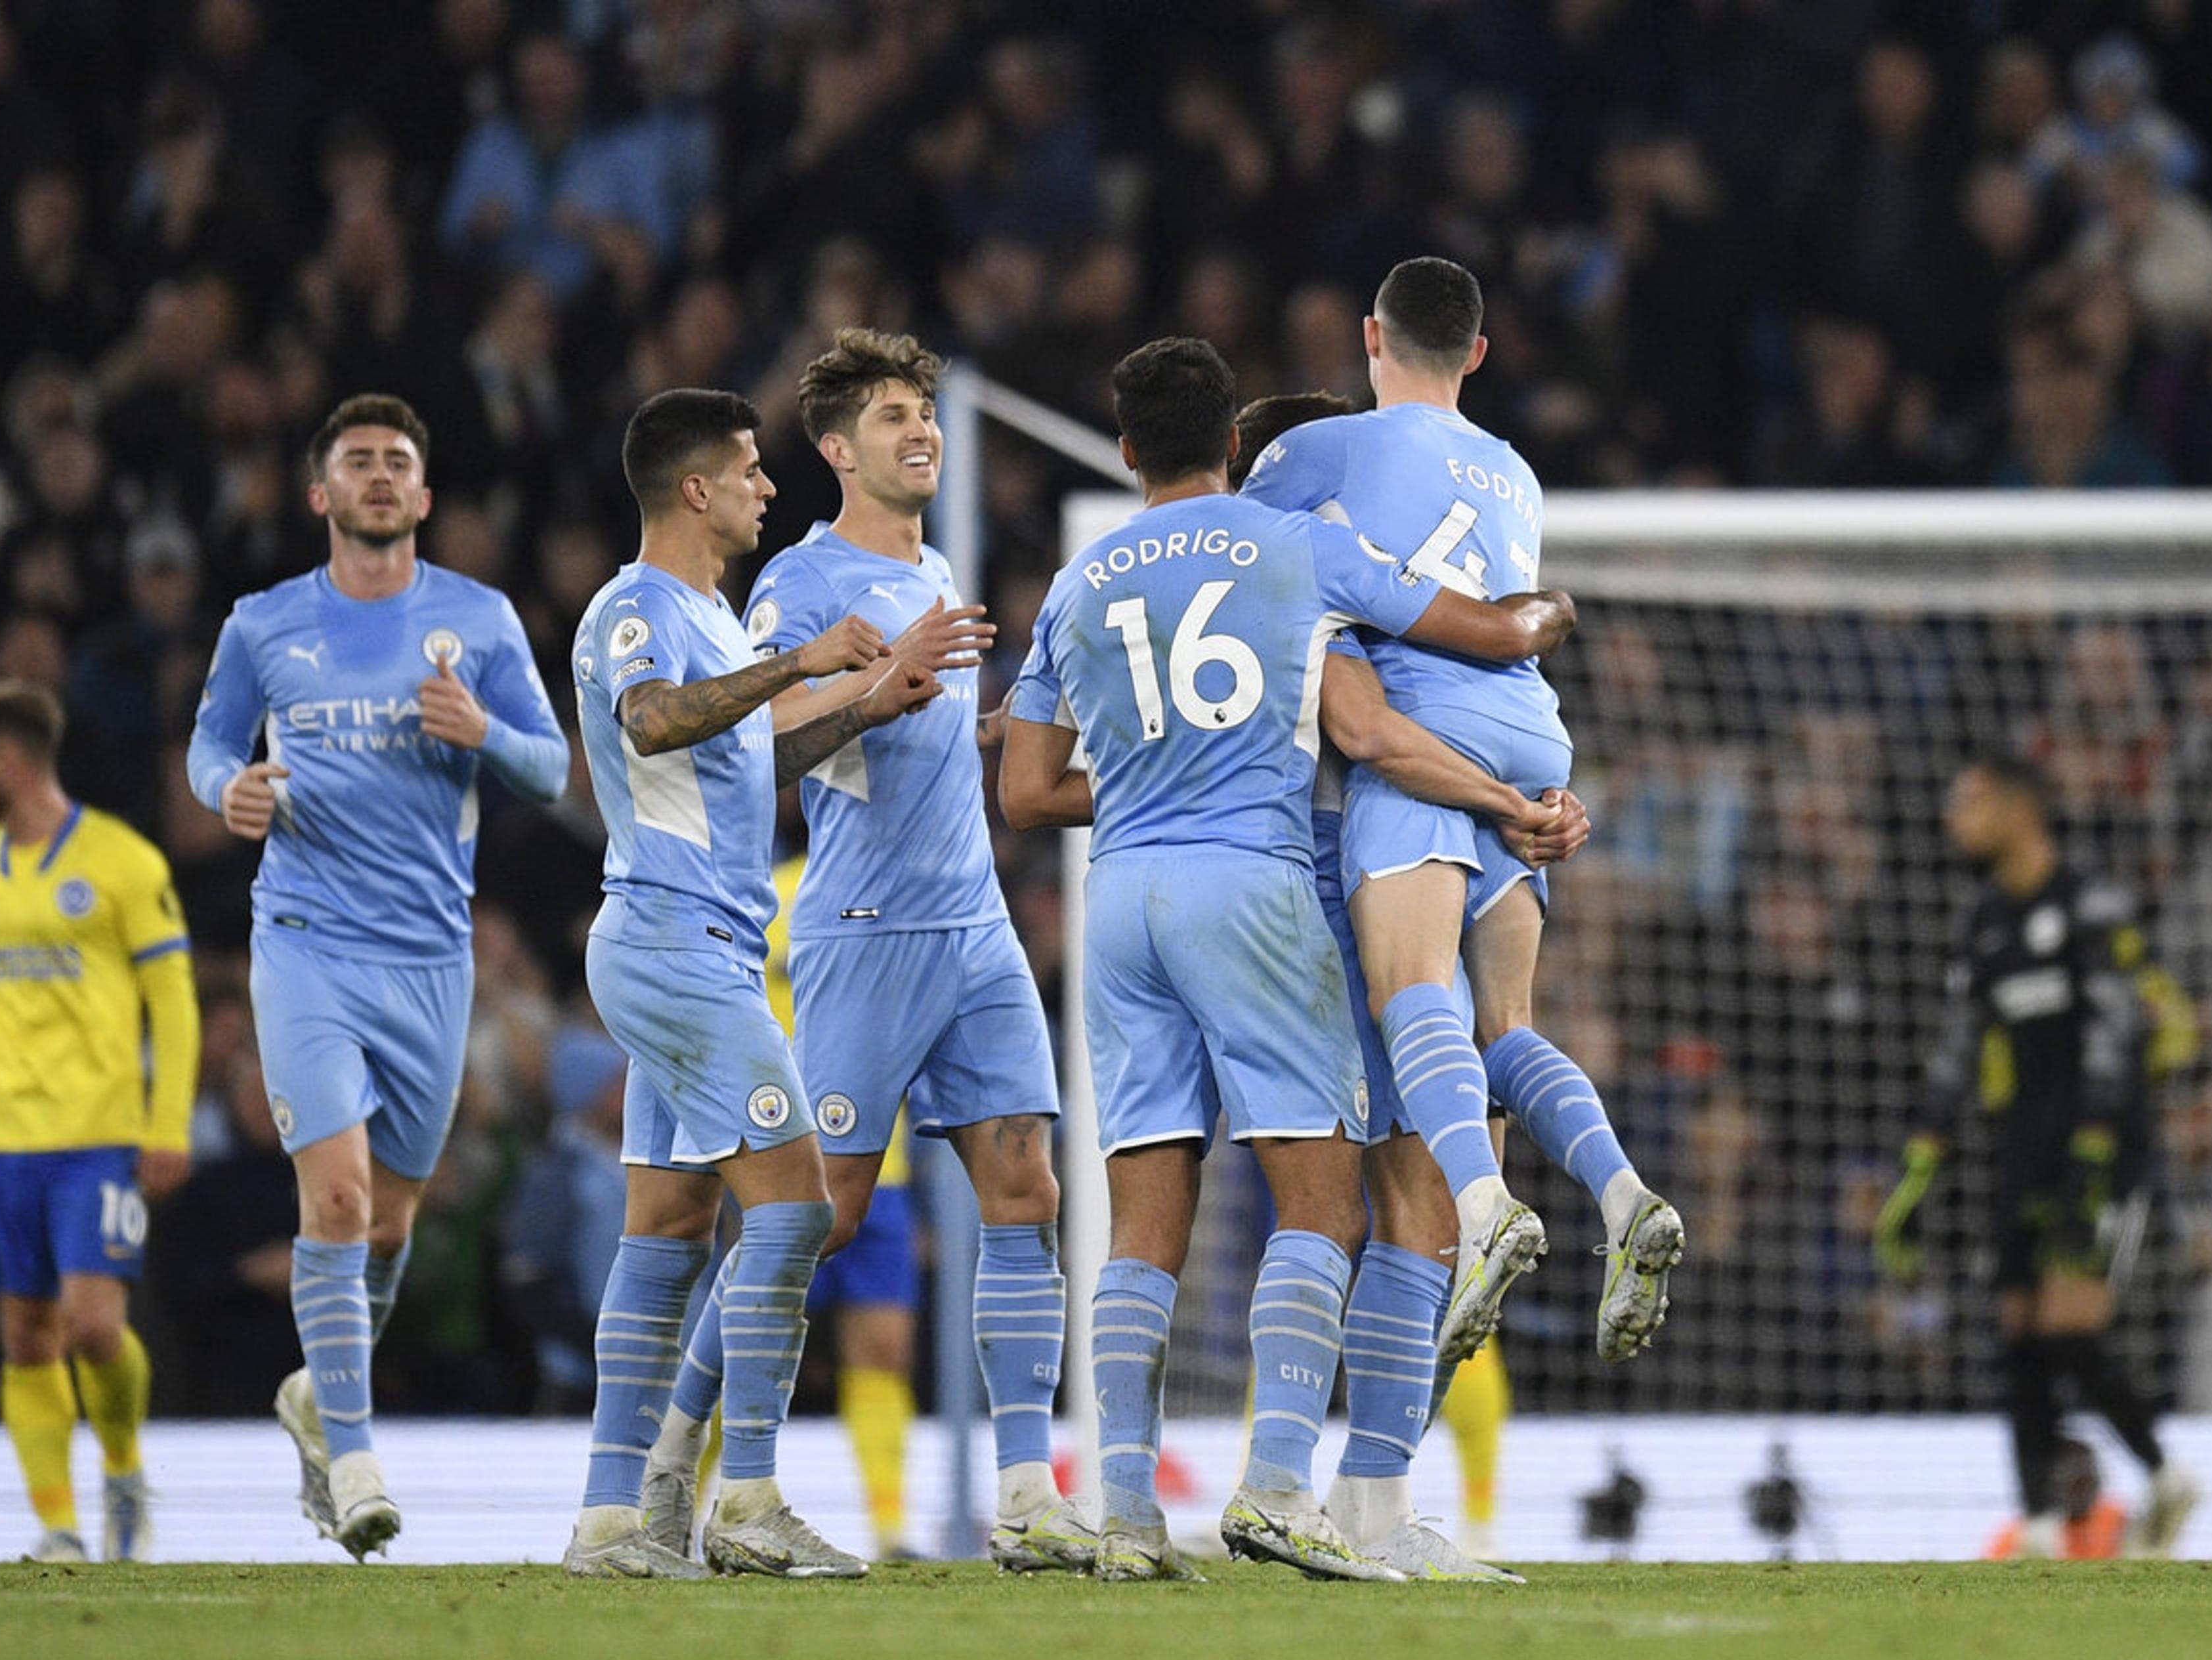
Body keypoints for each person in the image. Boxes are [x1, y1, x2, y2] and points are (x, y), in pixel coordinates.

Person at [999, 337, 1575, 1583]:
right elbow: (1436, 658)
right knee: (1324, 1202)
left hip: (1123, 899)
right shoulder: (1294, 542)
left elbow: (1028, 790)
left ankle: (1125, 1513)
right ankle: (1275, 1488)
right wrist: (1541, 625)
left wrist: (1152, 781)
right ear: (1239, 447)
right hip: (1251, 881)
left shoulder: (1079, 579)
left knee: (1144, 1212)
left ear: (1128, 448)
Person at [1240, 261, 1681, 1493]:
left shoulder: (1320, 465)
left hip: (1421, 748)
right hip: (1535, 736)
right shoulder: (1516, 473)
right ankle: (1618, 1183)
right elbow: (1513, 610)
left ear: (1368, 336)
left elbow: (1241, 559)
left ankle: (1495, 1205)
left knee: (1408, 1011)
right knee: (1506, 1030)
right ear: (1479, 354)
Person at [675, 327, 1081, 1571]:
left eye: (926, 411)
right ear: (838, 448)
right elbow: (760, 747)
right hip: (862, 932)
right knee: (817, 1221)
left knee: (1028, 1190)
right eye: (894, 416)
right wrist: (874, 687)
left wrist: (1017, 718)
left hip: (974, 930)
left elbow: (927, 730)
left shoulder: (941, 567)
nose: (921, 429)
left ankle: (1026, 1497)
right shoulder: (802, 586)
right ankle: (701, 1461)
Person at [562, 387, 940, 1583]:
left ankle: (614, 1516)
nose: (766, 487)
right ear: (695, 489)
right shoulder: (639, 608)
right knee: (799, 1208)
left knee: (670, 1231)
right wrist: (802, 660)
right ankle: (748, 1497)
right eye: (748, 468)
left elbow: (741, 762)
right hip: (670, 943)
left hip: (706, 946)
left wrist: (862, 704)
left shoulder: (715, 619)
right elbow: (655, 720)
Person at [186, 393, 569, 1559]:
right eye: (358, 461)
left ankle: (315, 1392)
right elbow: (210, 744)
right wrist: (228, 792)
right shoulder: (263, 625)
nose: (380, 475)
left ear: (426, 494)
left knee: (391, 1224)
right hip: (306, 939)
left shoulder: (480, 618)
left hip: (430, 957)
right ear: (321, 494)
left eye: (399, 460)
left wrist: (482, 735)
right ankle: (351, 1451)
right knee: (339, 1200)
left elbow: (551, 767)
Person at [0, 680, 200, 1562]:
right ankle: (60, 1524)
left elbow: (172, 1000)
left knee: (95, 1323)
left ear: (5, 760)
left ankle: (124, 1467)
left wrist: (168, 1120)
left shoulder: (121, 861)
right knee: (26, 1332)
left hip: (96, 1136)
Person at [1877, 754, 2199, 1558]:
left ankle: (2165, 1475)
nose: (1955, 819)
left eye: (1968, 802)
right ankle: (2046, 1523)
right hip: (2020, 1140)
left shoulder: (2091, 905)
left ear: (2019, 811)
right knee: (2016, 1328)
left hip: (2103, 1147)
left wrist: (2093, 1145)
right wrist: (1922, 1161)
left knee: (2066, 1330)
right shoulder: (1985, 919)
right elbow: (1960, 1045)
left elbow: (2119, 1029)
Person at [765, 847, 924, 1560]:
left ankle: (890, 1527)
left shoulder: (898, 890)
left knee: (884, 1348)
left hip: (879, 1161)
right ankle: (691, 1503)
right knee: (750, 1344)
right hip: (774, 1160)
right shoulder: (767, 896)